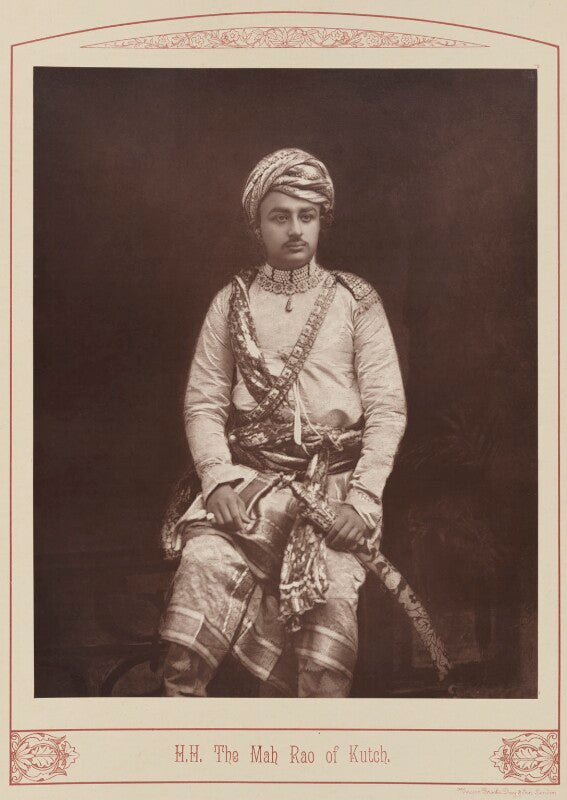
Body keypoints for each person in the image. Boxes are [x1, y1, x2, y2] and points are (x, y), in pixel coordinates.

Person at [159, 147, 407, 697]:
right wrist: (217, 480)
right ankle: (180, 723)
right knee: (201, 565)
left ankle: (312, 734)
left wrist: (362, 502)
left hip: (334, 494)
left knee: (330, 595)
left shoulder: (356, 301)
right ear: (258, 224)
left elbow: (387, 409)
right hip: (248, 488)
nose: (295, 229)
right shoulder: (231, 302)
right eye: (280, 216)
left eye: (306, 215)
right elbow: (203, 403)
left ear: (321, 220)